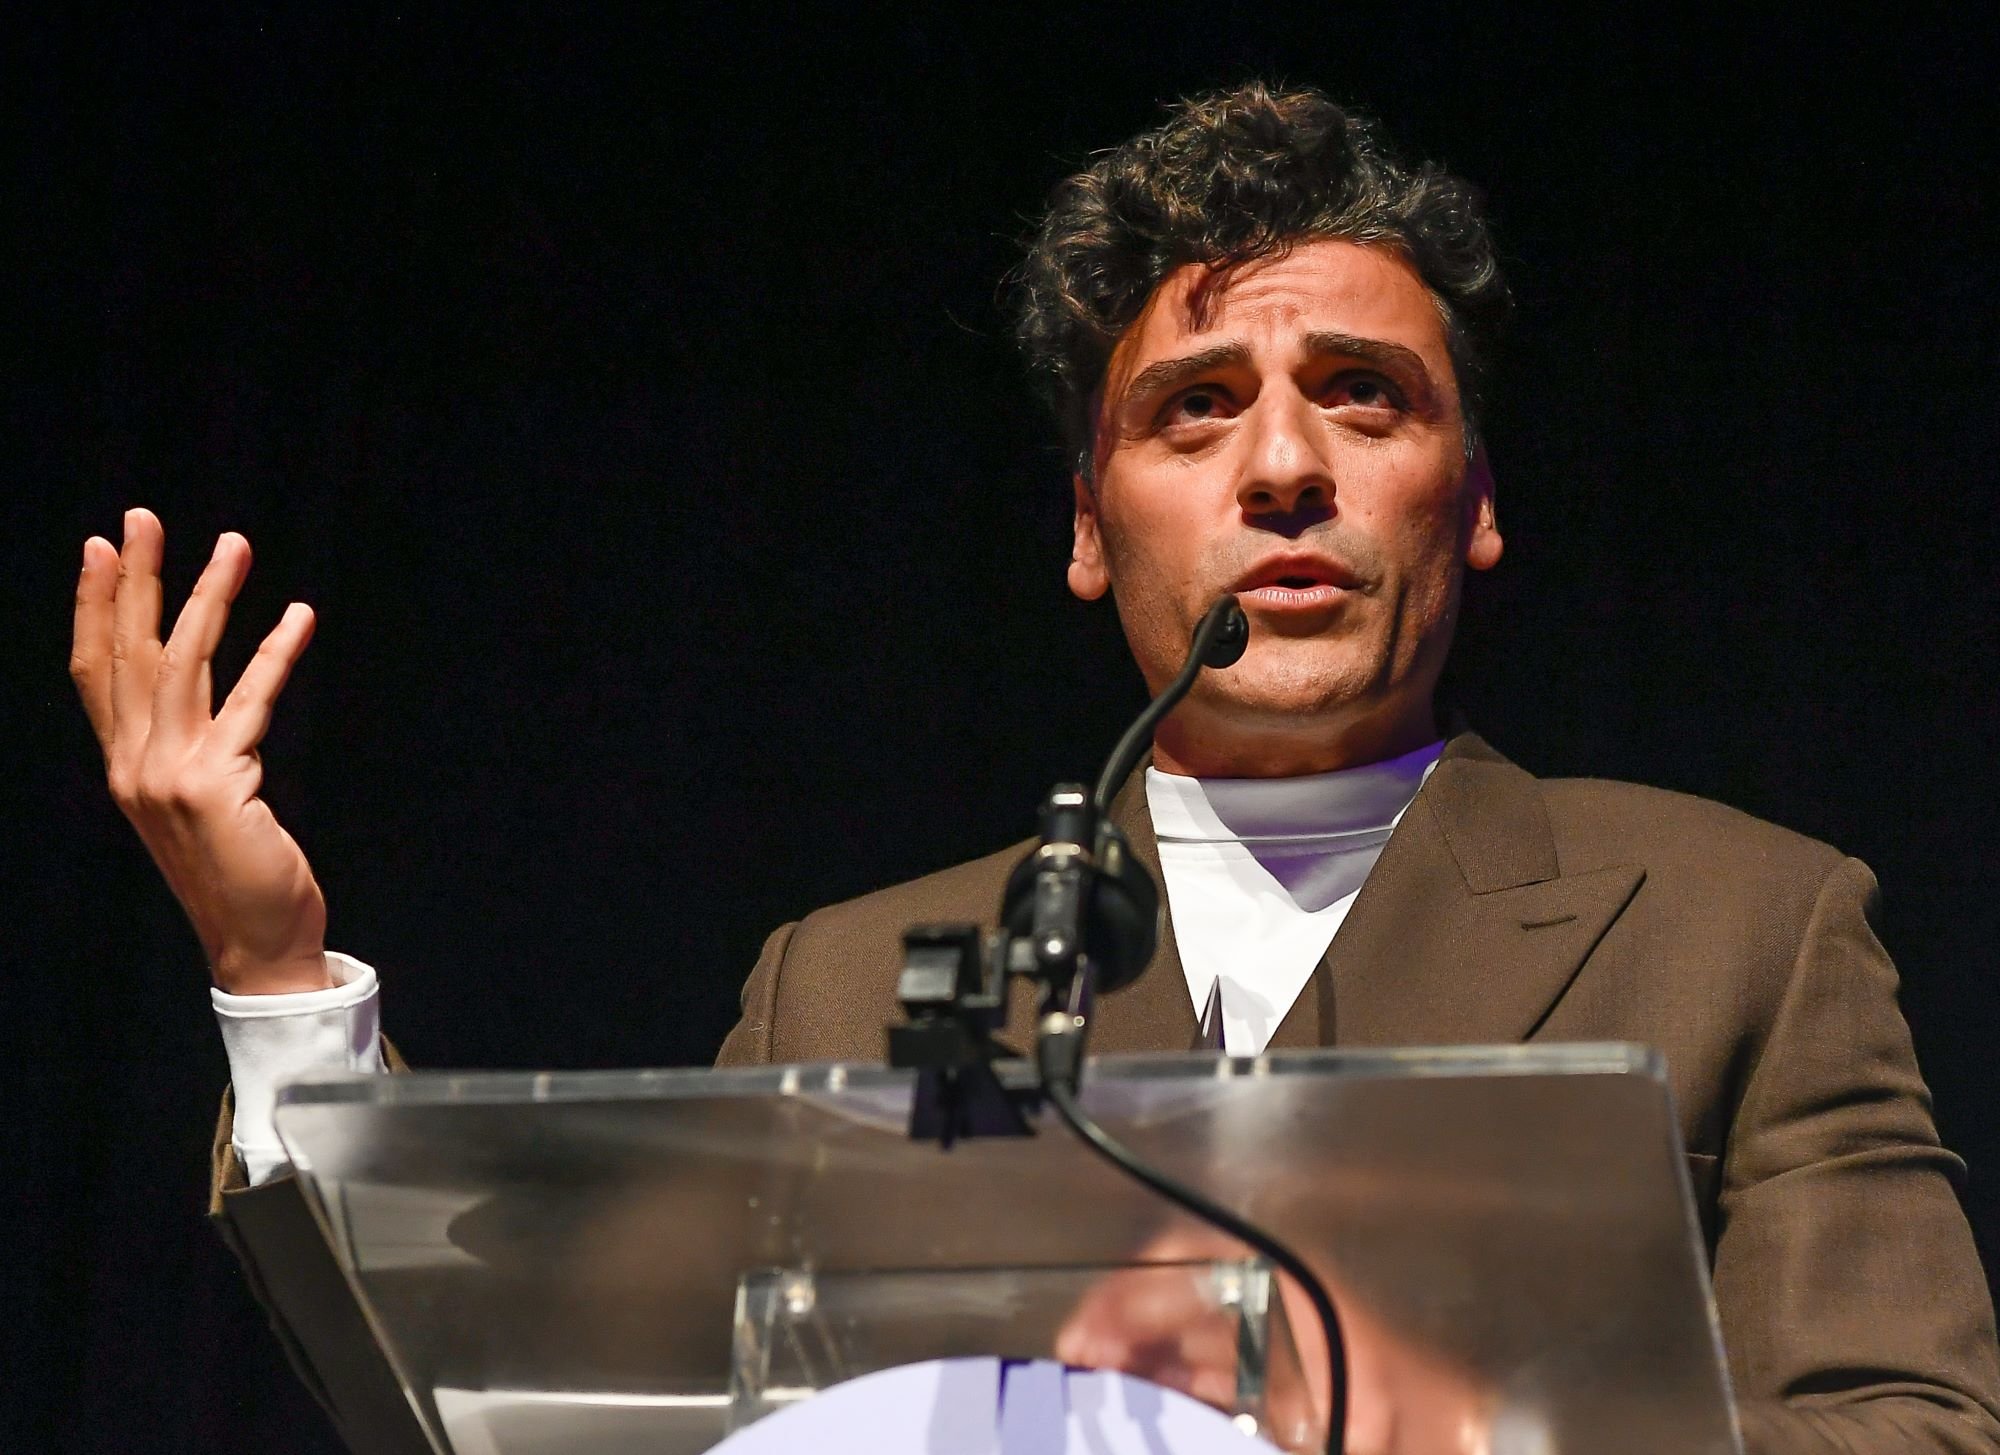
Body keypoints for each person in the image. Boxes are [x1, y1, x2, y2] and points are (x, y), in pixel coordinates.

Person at [71, 83, 2000, 1453]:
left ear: (1471, 500)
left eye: (1363, 393)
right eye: (1194, 409)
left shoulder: (1746, 922)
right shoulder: (846, 975)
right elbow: (534, 1397)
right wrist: (275, 972)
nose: (1283, 468)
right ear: (1090, 528)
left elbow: (1903, 1430)